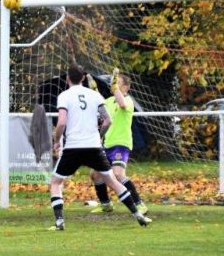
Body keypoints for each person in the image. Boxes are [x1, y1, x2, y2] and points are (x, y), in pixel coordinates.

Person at [49, 65, 151, 230]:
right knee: (111, 180)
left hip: (74, 146)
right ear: (83, 78)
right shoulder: (95, 96)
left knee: (56, 182)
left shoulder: (64, 95)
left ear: (68, 79)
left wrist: (56, 140)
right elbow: (108, 120)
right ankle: (137, 214)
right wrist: (99, 135)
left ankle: (59, 221)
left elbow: (61, 122)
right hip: (94, 146)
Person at [89, 74, 148, 214]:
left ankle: (139, 204)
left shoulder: (128, 100)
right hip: (107, 144)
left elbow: (122, 104)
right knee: (95, 174)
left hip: (121, 144)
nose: (113, 85)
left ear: (126, 87)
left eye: (117, 83)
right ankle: (106, 204)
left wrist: (115, 89)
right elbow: (101, 103)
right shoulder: (110, 101)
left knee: (118, 174)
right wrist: (94, 90)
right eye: (113, 83)